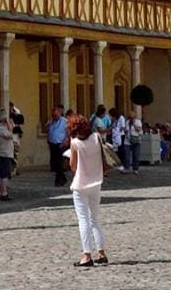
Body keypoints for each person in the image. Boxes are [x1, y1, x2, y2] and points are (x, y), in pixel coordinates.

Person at [66, 115, 108, 268]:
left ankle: (87, 255)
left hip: (80, 185)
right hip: (96, 183)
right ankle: (102, 253)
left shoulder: (75, 143)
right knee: (95, 219)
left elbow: (72, 166)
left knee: (83, 220)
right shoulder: (97, 137)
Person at [0, 112, 19, 200]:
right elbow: (10, 135)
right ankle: (4, 192)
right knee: (5, 175)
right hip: (4, 155)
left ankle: (1, 191)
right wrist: (11, 127)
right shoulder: (1, 130)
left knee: (0, 175)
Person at [47, 106, 70, 188]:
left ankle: (58, 180)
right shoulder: (51, 121)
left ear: (59, 113)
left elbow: (68, 132)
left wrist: (66, 141)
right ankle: (63, 178)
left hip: (60, 144)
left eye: (56, 115)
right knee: (55, 163)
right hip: (52, 143)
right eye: (53, 115)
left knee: (59, 162)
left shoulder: (65, 121)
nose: (54, 116)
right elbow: (48, 130)